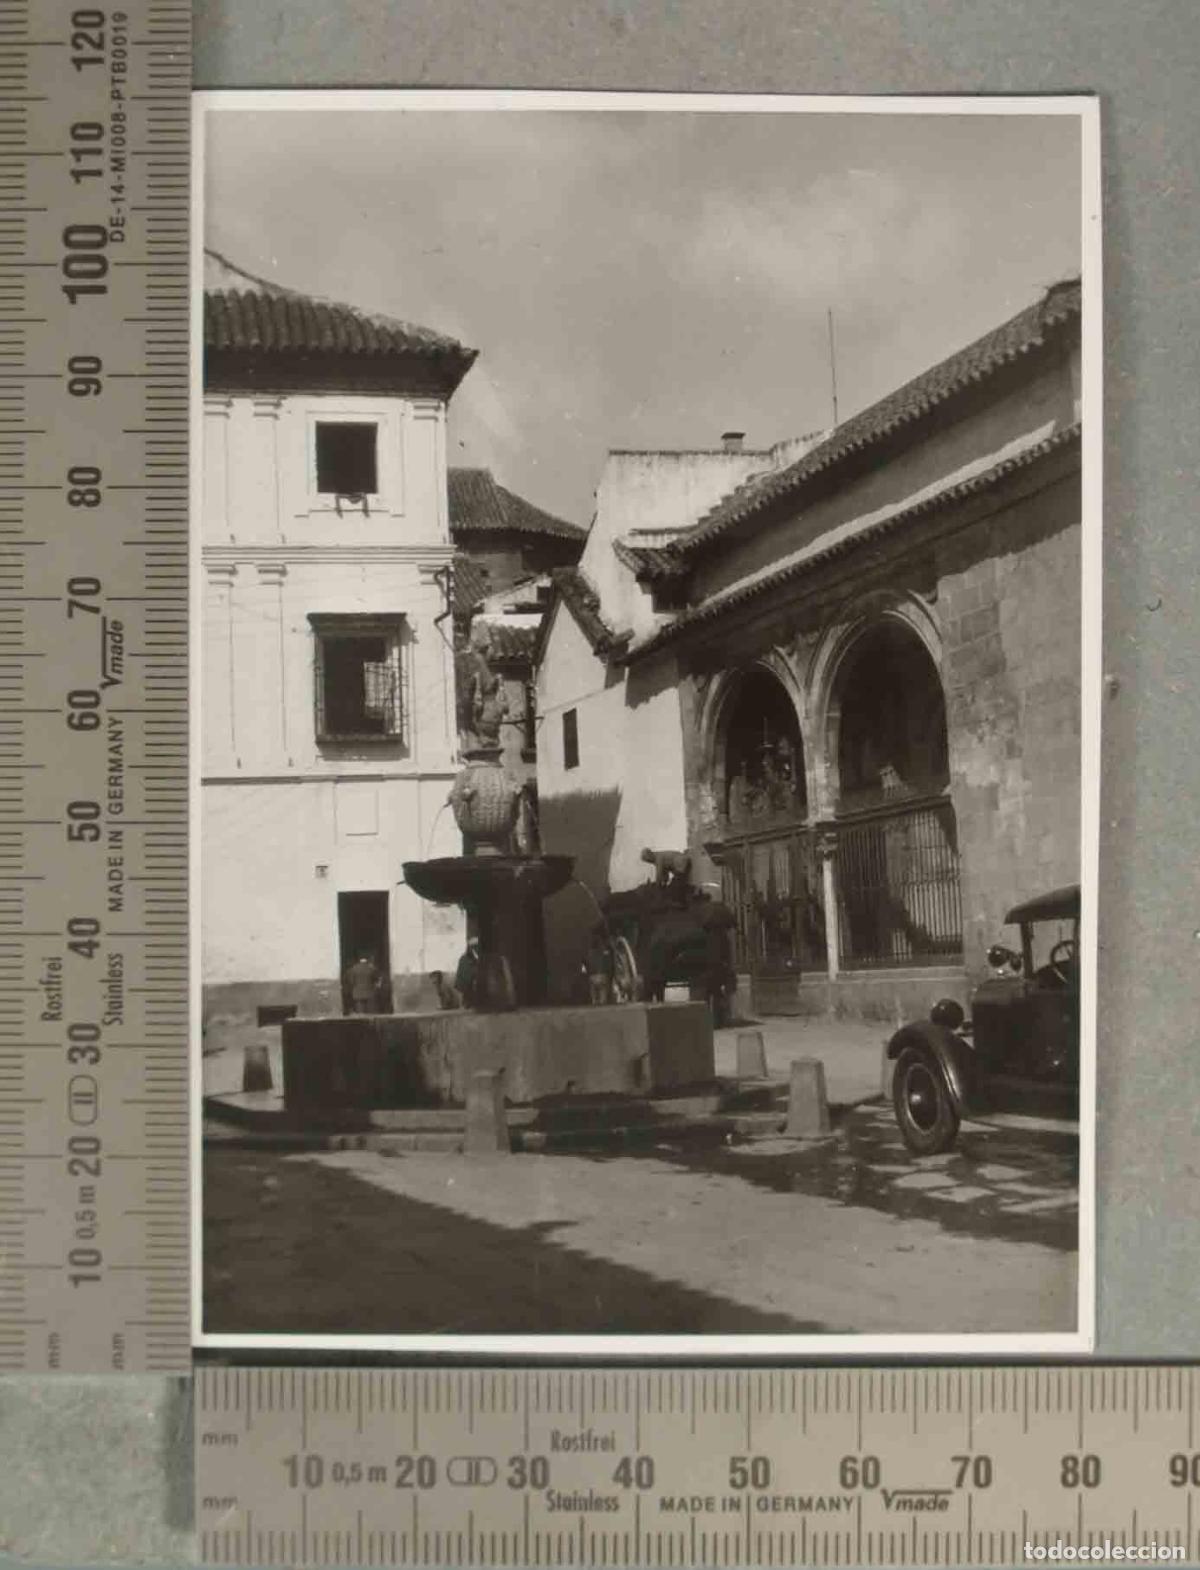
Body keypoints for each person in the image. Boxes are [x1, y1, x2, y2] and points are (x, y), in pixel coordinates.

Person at [454, 936, 481, 1009]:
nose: (476, 949)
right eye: (474, 947)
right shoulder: (465, 958)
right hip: (465, 982)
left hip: (468, 982)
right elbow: (466, 972)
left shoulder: (473, 957)